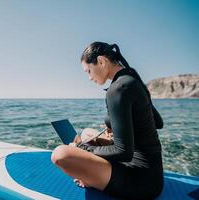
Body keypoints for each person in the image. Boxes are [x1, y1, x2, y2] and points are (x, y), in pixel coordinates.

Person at [51, 42, 164, 199]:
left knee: (60, 154)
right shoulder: (131, 77)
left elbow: (123, 152)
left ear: (102, 61)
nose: (89, 78)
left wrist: (81, 148)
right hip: (154, 173)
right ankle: (89, 166)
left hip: (140, 181)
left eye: (89, 71)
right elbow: (158, 122)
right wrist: (120, 124)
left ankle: (90, 177)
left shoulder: (117, 89)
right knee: (87, 133)